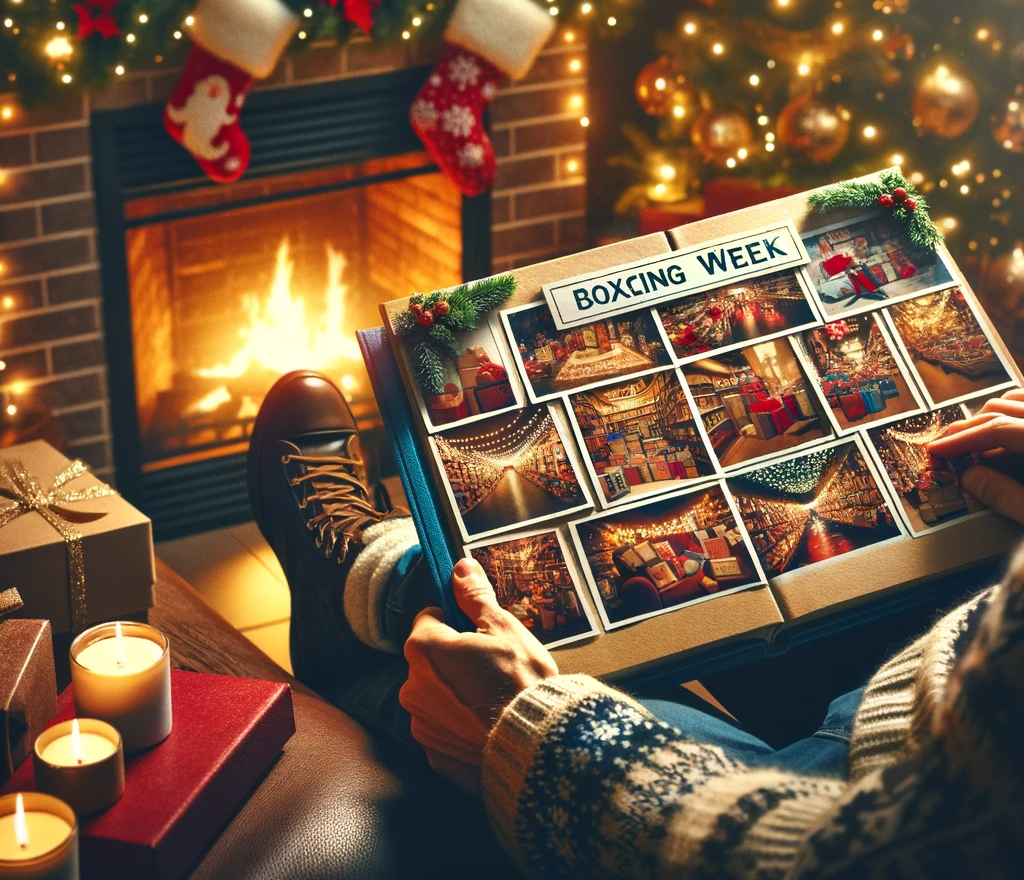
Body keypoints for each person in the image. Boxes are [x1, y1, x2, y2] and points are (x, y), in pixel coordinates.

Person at [248, 371, 1024, 878]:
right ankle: (376, 592)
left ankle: (359, 596)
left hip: (868, 796)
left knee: (487, 661)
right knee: (656, 569)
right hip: (951, 679)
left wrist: (536, 733)